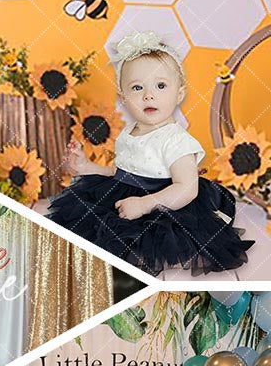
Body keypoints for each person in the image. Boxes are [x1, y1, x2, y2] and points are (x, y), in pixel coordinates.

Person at [47, 30, 252, 276]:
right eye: (137, 87)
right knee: (84, 233)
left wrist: (146, 204)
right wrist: (87, 168)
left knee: (136, 249)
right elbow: (121, 172)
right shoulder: (128, 132)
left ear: (179, 94)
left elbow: (187, 187)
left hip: (164, 202)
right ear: (123, 98)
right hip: (125, 195)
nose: (149, 94)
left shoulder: (176, 140)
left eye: (161, 85)